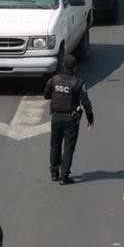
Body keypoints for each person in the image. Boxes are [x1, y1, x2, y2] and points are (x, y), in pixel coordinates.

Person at [43, 54, 94, 184]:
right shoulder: (78, 83)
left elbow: (46, 95)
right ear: (75, 68)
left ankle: (54, 172)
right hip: (71, 119)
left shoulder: (53, 80)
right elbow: (86, 103)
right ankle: (64, 176)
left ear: (63, 66)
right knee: (68, 148)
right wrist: (90, 119)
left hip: (56, 117)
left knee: (55, 146)